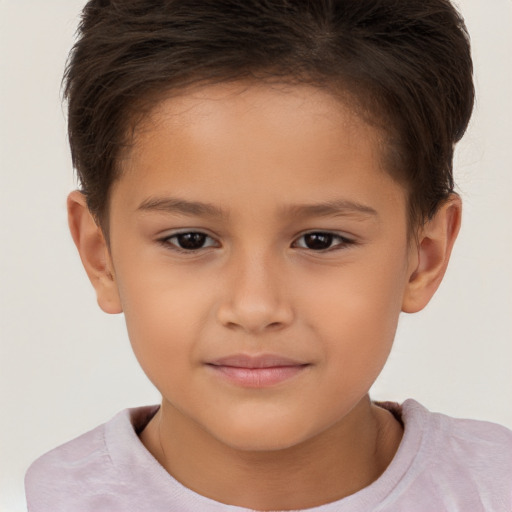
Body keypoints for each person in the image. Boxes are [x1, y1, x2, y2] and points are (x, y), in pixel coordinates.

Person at [24, 0, 512, 510]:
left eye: (320, 240)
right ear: (100, 255)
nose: (255, 308)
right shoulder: (53, 498)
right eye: (190, 240)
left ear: (424, 256)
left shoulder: (494, 489)